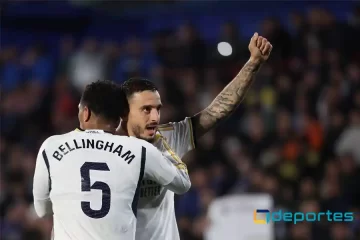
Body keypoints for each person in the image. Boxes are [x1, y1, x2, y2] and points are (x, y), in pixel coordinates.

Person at [117, 32, 273, 240]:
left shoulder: (169, 137)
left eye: (158, 109)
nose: (155, 117)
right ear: (125, 112)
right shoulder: (105, 149)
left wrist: (252, 63)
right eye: (146, 109)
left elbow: (217, 111)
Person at [32, 80, 191, 240]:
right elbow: (182, 184)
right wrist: (162, 142)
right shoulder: (139, 149)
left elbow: (42, 210)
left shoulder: (51, 146)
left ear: (85, 112)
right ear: (118, 120)